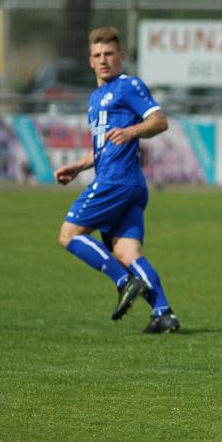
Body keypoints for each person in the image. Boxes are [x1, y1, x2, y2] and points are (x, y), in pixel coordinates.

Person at [54, 27, 180, 334]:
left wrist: (133, 131)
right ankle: (163, 314)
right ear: (90, 61)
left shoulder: (127, 86)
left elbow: (159, 120)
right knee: (127, 253)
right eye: (97, 55)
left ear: (121, 56)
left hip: (117, 182)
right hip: (126, 183)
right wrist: (80, 166)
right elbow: (105, 145)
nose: (103, 60)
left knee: (69, 235)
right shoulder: (96, 97)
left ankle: (124, 281)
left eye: (109, 54)